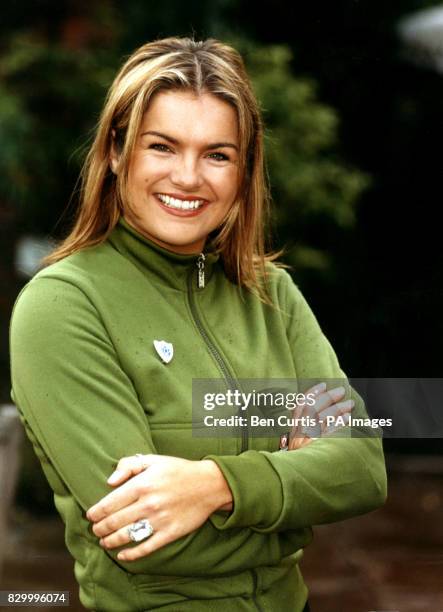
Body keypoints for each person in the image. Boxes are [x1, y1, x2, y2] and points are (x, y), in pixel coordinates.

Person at [9, 37, 387, 611]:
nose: (188, 177)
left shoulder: (271, 293)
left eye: (217, 154)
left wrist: (213, 486)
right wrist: (294, 499)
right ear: (116, 151)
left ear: (243, 170)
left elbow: (362, 469)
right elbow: (144, 538)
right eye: (161, 146)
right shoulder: (63, 306)